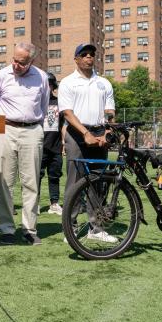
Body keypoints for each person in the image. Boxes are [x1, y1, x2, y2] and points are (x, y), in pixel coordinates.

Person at [0, 42, 49, 246]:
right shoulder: (0, 76)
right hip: (5, 129)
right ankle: (6, 229)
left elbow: (43, 105)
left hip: (32, 130)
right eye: (14, 60)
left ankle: (29, 229)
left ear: (31, 61)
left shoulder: (41, 77)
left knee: (31, 182)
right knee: (4, 182)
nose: (16, 65)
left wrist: (36, 127)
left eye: (21, 63)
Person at [58, 43, 116, 243]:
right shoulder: (67, 82)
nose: (89, 57)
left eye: (92, 54)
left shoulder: (104, 83)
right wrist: (85, 133)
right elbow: (67, 112)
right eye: (84, 54)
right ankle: (70, 228)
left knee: (98, 181)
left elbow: (110, 111)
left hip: (99, 133)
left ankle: (96, 228)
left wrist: (108, 131)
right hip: (76, 133)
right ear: (76, 59)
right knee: (74, 182)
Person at [40, 73, 64, 215]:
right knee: (37, 176)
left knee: (54, 176)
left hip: (55, 147)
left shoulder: (59, 103)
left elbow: (63, 125)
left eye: (49, 84)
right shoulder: (36, 102)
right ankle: (34, 204)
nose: (46, 87)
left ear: (53, 86)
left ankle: (54, 203)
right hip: (40, 146)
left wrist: (63, 143)